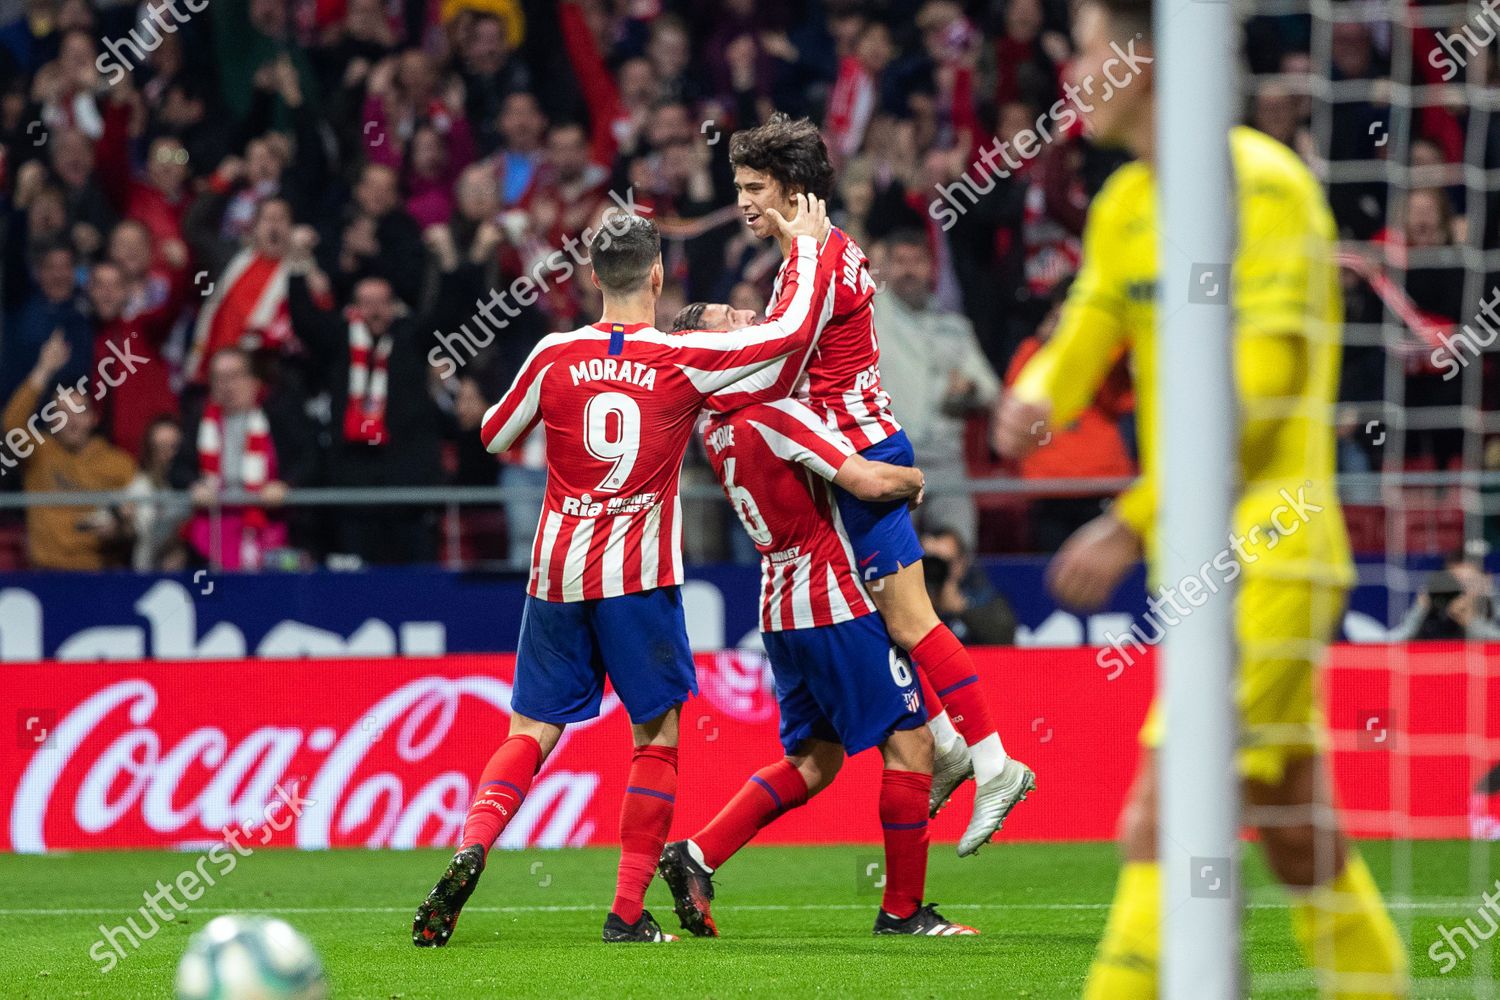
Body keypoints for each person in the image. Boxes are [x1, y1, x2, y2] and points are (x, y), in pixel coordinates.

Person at [994, 1, 1408, 996]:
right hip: (1203, 563)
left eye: (1089, 46)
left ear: (1143, 58)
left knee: (1160, 816)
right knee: (1301, 834)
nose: (1074, 67)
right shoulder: (1127, 204)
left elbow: (1254, 404)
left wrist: (1128, 521)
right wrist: (1032, 398)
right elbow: (1083, 336)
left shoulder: (1263, 189)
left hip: (1276, 543)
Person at [411, 200, 836, 947]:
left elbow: (492, 434)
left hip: (556, 570)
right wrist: (806, 248)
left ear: (591, 278)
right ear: (659, 274)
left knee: (533, 727)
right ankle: (627, 912)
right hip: (638, 574)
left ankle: (473, 845)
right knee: (657, 735)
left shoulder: (553, 354)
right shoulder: (683, 361)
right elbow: (791, 338)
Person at [712, 113, 1035, 856]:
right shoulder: (817, 254)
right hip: (850, 458)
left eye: (754, 188)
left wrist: (692, 366)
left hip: (862, 457)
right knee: (889, 621)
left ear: (793, 191)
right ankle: (955, 751)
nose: (743, 202)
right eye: (738, 187)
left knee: (914, 620)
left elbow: (783, 344)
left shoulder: (811, 258)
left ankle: (995, 764)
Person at [657, 392, 982, 938]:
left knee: (814, 760)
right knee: (913, 744)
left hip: (780, 605)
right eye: (730, 322)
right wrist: (913, 478)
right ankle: (903, 912)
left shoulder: (714, 426)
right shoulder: (775, 413)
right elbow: (870, 482)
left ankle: (696, 853)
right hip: (833, 602)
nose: (749, 325)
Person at [870, 228, 1000, 549]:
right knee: (891, 556)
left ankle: (953, 595)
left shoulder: (953, 326)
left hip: (945, 460)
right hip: (889, 456)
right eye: (899, 262)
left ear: (931, 268)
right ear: (884, 267)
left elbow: (991, 390)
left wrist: (968, 389)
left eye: (917, 261)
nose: (909, 270)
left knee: (958, 546)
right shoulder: (869, 317)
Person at [2, 330, 137, 570]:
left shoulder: (118, 464)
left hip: (97, 575)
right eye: (62, 413)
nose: (71, 421)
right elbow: (11, 425)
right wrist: (43, 369)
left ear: (93, 418)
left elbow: (137, 522)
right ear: (51, 420)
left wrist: (120, 529)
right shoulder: (39, 452)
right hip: (45, 576)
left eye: (79, 412)